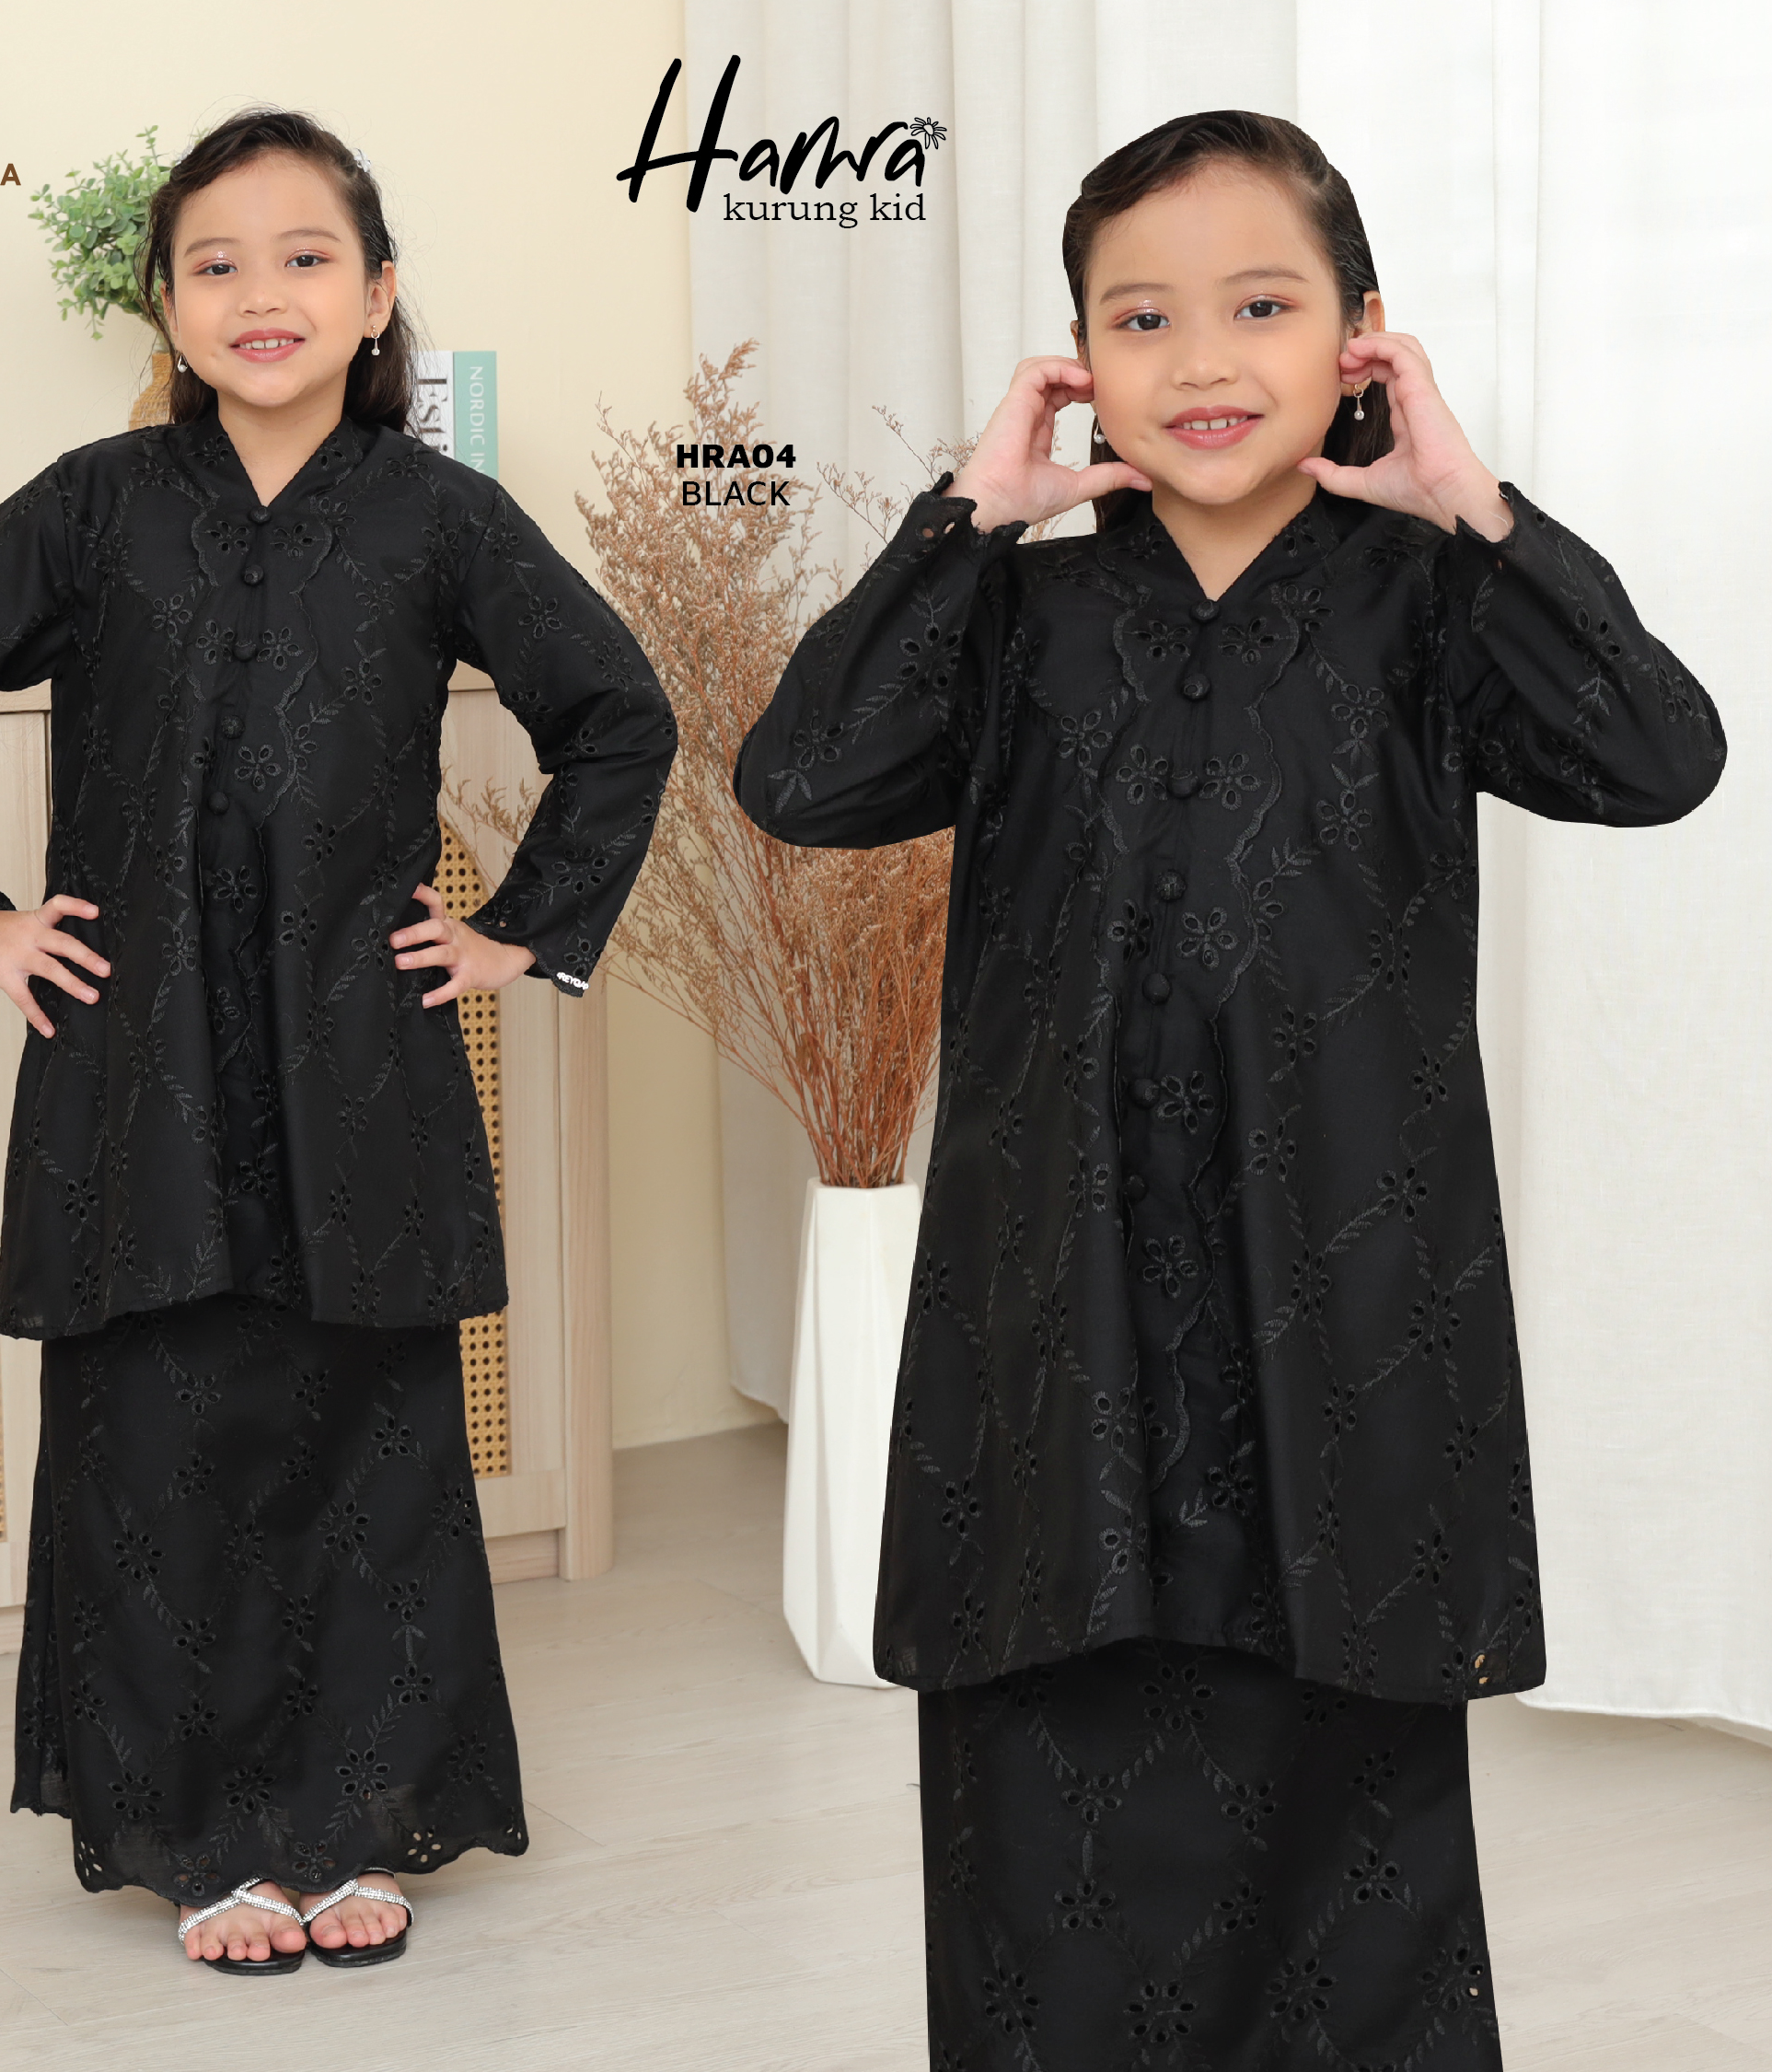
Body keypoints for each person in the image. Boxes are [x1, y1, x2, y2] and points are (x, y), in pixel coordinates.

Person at [735, 109, 1723, 2069]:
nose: (1200, 361)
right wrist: (965, 516)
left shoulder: (1430, 601)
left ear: (1360, 338)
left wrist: (1471, 496)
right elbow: (801, 780)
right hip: (1060, 1310)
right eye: (1140, 319)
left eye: (1260, 307)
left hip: (1346, 1301)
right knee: (1048, 1766)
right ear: (1075, 367)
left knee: (1347, 1778)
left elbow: (1658, 753)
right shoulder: (1016, 616)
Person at [0, 108, 673, 1975]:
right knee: (155, 1434)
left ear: (375, 296)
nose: (261, 292)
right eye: (214, 263)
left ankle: (358, 1819)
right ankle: (201, 1835)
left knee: (367, 1431)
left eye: (306, 256)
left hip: (354, 1048)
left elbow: (617, 713)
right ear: (168, 303)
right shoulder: (95, 504)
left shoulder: (440, 516)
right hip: (134, 1056)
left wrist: (524, 928)